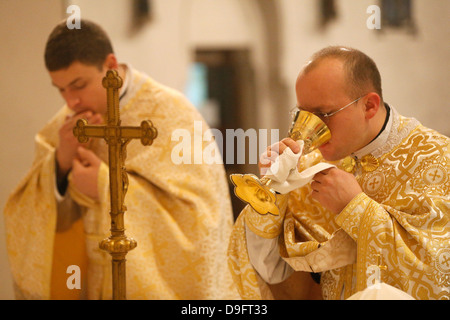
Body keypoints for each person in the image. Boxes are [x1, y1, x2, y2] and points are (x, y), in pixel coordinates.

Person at [4, 19, 238, 300]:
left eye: (78, 84)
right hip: (92, 283)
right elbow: (27, 215)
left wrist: (105, 185)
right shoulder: (66, 125)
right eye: (61, 89)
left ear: (111, 64)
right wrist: (60, 163)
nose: (72, 101)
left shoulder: (175, 116)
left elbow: (200, 219)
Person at [228, 46, 450, 300]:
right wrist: (275, 191)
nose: (311, 127)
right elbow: (270, 271)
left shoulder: (437, 160)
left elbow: (438, 271)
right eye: (303, 114)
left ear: (369, 105)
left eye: (323, 114)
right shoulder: (308, 166)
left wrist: (356, 208)